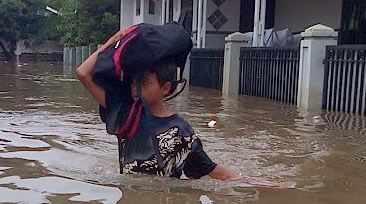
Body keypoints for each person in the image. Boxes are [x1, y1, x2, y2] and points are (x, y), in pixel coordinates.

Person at [76, 28, 282, 187]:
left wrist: (253, 183)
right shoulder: (125, 115)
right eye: (133, 82)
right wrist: (112, 42)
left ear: (165, 88)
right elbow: (83, 73)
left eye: (144, 83)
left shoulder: (179, 131)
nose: (136, 89)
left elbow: (210, 169)